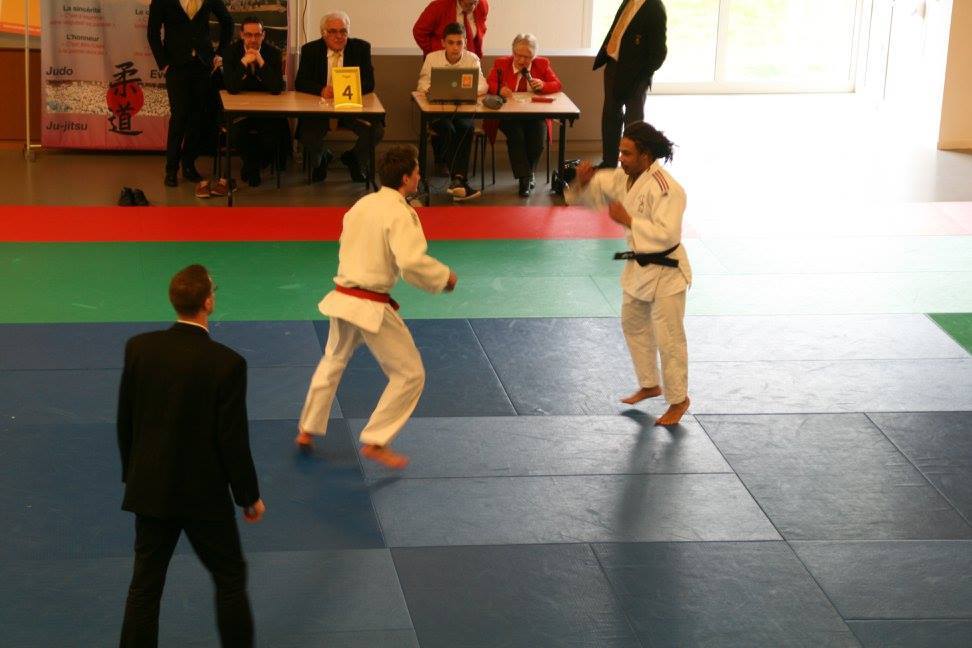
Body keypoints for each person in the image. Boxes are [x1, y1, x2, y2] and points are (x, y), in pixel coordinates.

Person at [117, 264, 265, 647]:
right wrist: (248, 496)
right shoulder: (228, 363)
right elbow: (232, 439)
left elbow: (126, 421)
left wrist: (134, 476)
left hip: (151, 489)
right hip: (204, 497)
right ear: (208, 302)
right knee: (229, 579)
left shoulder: (140, 349)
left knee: (145, 586)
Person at [295, 145, 458, 469]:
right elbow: (410, 262)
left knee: (333, 360)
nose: (419, 177)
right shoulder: (401, 212)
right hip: (370, 304)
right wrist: (443, 277)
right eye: (417, 172)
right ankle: (376, 439)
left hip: (343, 296)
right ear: (406, 178)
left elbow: (346, 244)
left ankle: (307, 429)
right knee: (410, 374)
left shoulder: (361, 204)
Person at [566, 122, 691, 426]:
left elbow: (668, 234)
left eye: (627, 153)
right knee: (632, 323)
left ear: (645, 156)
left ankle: (679, 400)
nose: (620, 158)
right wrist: (583, 182)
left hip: (667, 270)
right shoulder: (624, 177)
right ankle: (650, 384)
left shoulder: (667, 188)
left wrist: (629, 220)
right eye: (620, 152)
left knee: (669, 337)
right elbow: (586, 196)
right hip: (638, 266)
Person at [147, 0, 233, 187]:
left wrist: (220, 53)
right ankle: (171, 169)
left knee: (197, 118)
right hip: (176, 66)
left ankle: (188, 165)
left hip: (203, 66)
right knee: (179, 117)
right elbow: (152, 33)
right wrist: (163, 63)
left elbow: (227, 22)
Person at [295, 11, 384, 184]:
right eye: (333, 32)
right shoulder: (310, 50)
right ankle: (322, 157)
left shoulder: (361, 48)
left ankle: (354, 158)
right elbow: (301, 82)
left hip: (350, 107)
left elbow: (369, 83)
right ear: (323, 33)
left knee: (376, 130)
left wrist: (347, 89)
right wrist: (321, 90)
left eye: (343, 31)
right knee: (306, 133)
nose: (339, 36)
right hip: (320, 108)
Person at [416, 21, 487, 201]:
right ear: (443, 43)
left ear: (465, 43)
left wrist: (469, 92)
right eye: (451, 42)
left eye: (459, 43)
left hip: (462, 109)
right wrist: (431, 90)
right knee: (447, 129)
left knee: (466, 128)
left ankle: (457, 181)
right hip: (438, 111)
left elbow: (483, 85)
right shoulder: (432, 58)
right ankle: (459, 181)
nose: (455, 47)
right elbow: (422, 84)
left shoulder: (472, 59)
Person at [593, 0, 667, 169]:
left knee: (633, 123)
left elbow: (659, 53)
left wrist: (642, 76)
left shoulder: (655, 7)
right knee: (610, 116)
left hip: (637, 74)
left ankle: (632, 167)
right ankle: (609, 163)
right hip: (614, 66)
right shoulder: (629, 1)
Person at [486, 33, 562, 197]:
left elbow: (557, 84)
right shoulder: (501, 63)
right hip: (508, 114)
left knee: (538, 138)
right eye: (518, 55)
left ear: (533, 56)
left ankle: (528, 174)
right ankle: (525, 179)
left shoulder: (542, 64)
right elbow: (490, 82)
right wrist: (499, 89)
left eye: (527, 57)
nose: (521, 60)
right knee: (517, 136)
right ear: (512, 52)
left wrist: (543, 85)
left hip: (534, 113)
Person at [222, 16, 290, 189]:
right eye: (249, 35)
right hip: (240, 110)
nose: (253, 39)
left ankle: (253, 165)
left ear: (263, 35)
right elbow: (231, 87)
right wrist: (243, 63)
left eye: (257, 35)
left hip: (266, 111)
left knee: (271, 135)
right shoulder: (230, 52)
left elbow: (276, 88)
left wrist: (260, 61)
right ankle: (253, 166)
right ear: (241, 35)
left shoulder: (273, 53)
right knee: (237, 134)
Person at [413, 0, 489, 59]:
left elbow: (481, 29)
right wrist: (433, 52)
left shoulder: (482, 5)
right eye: (468, 4)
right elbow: (419, 31)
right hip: (441, 61)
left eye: (475, 2)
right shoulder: (439, 6)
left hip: (469, 60)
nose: (473, 7)